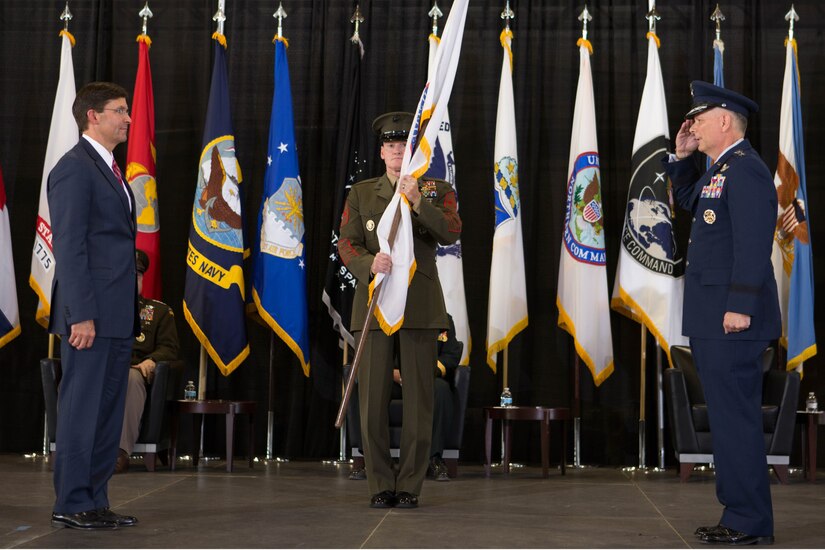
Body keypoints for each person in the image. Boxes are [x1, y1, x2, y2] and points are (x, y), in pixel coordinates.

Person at [663, 81, 781, 546]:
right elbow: (690, 201)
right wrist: (681, 157)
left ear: (725, 121)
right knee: (728, 418)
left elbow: (754, 244)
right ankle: (740, 514)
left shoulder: (746, 169)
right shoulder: (722, 169)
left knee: (735, 420)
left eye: (699, 119)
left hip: (732, 318)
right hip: (714, 316)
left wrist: (740, 306)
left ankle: (748, 519)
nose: (692, 125)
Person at [338, 112, 462, 508]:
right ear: (381, 152)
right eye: (390, 145)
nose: (396, 152)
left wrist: (417, 201)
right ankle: (379, 483)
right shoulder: (362, 193)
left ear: (414, 151)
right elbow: (347, 243)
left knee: (420, 402)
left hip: (419, 304)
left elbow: (452, 232)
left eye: (402, 145)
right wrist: (368, 264)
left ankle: (409, 484)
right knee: (371, 401)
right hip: (374, 304)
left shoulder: (436, 190)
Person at [47, 82, 140, 530]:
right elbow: (70, 246)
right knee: (81, 410)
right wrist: (80, 314)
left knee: (106, 413)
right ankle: (70, 501)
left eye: (127, 110)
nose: (127, 118)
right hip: (90, 315)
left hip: (117, 314)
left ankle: (95, 499)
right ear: (93, 116)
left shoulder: (111, 170)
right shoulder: (74, 168)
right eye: (119, 110)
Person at [349, 314, 463, 482]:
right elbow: (371, 353)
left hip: (424, 378)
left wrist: (421, 372)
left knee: (442, 390)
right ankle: (372, 460)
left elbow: (451, 355)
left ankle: (434, 459)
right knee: (366, 389)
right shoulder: (386, 314)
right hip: (390, 377)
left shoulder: (440, 317)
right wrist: (393, 373)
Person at [115, 249, 180, 474]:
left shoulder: (159, 311)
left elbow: (170, 348)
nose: (133, 280)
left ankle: (120, 453)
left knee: (131, 378)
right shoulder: (99, 309)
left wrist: (152, 360)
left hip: (137, 371)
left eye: (138, 275)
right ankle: (76, 449)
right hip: (105, 368)